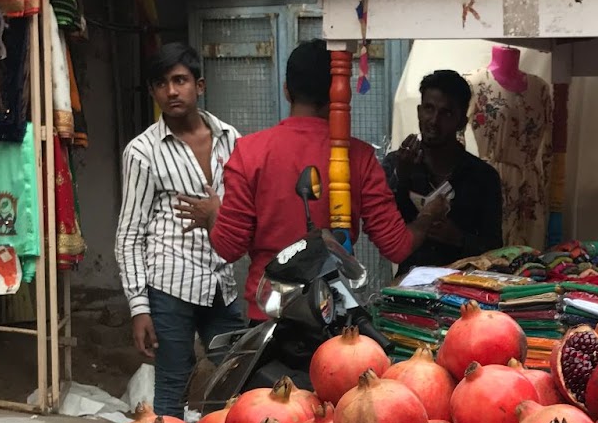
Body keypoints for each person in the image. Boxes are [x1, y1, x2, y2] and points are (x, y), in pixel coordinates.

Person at [197, 42, 451, 319]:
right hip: (334, 313)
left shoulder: (249, 152)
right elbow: (397, 246)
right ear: (339, 94)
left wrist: (212, 214)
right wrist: (427, 217)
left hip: (269, 314)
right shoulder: (358, 157)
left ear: (286, 90)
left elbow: (229, 248)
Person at [114, 42, 242, 419]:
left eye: (180, 80)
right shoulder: (142, 152)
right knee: (172, 386)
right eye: (161, 84)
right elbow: (129, 235)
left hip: (222, 282)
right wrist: (139, 308)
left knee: (234, 378)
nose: (171, 91)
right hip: (171, 285)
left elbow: (244, 208)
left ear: (198, 85)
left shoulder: (231, 139)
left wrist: (219, 212)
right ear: (153, 92)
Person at [389, 71, 503, 266]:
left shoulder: (483, 177)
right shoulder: (397, 165)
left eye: (446, 113)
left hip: (465, 289)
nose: (434, 120)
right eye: (429, 108)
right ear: (418, 111)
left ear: (461, 123)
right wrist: (402, 179)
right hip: (408, 287)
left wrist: (458, 239)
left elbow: (496, 250)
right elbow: (389, 236)